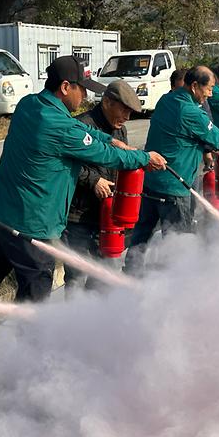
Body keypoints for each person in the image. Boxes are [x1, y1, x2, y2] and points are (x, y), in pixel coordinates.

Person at [0, 55, 166, 339]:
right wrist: (142, 157)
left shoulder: (30, 105)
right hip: (32, 227)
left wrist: (108, 138)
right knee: (35, 294)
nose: (86, 95)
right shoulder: (58, 127)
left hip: (0, 215)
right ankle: (24, 353)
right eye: (83, 88)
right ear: (66, 87)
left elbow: (81, 131)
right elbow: (106, 156)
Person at [124, 66, 219, 275]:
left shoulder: (166, 100)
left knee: (141, 237)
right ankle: (173, 286)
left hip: (150, 184)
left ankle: (130, 278)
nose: (211, 93)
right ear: (194, 86)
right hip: (175, 190)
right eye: (209, 88)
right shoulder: (191, 112)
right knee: (178, 245)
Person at [61, 80, 141, 291]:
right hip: (77, 217)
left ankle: (95, 318)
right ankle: (72, 321)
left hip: (107, 216)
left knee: (105, 271)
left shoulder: (119, 130)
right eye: (123, 111)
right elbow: (63, 163)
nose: (126, 118)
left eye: (130, 113)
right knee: (76, 275)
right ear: (106, 102)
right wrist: (93, 180)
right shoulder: (81, 125)